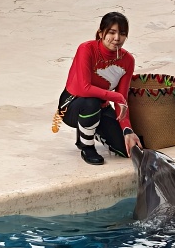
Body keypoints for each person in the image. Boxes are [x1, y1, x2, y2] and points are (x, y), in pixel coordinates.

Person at [56, 12, 142, 165]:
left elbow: (122, 99)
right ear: (101, 33)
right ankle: (86, 146)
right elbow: (83, 88)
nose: (117, 38)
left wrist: (127, 130)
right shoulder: (86, 49)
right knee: (91, 103)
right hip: (72, 105)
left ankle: (91, 128)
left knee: (126, 149)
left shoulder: (128, 60)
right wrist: (116, 97)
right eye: (111, 32)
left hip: (101, 107)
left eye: (122, 34)